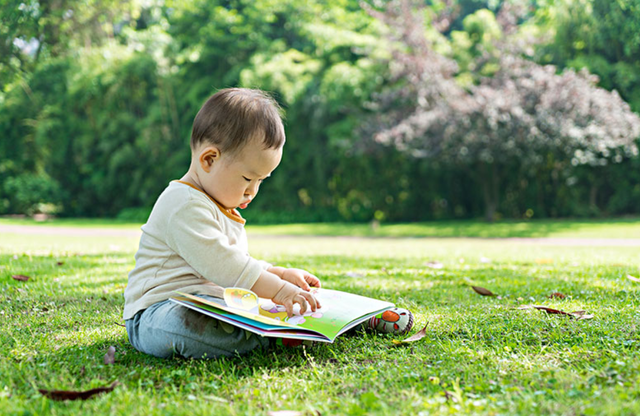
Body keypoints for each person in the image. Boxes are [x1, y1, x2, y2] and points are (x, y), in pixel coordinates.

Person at [123, 88, 412, 360]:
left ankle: (348, 320)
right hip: (156, 313)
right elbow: (225, 266)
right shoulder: (183, 204)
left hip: (216, 304)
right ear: (209, 159)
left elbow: (239, 262)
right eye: (248, 179)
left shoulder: (219, 203)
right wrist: (280, 290)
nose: (253, 191)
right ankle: (286, 334)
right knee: (186, 324)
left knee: (258, 304)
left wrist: (279, 273)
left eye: (261, 180)